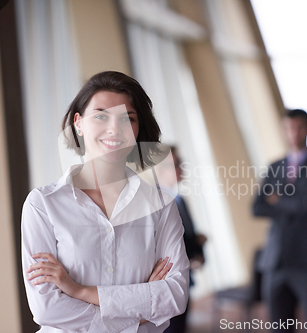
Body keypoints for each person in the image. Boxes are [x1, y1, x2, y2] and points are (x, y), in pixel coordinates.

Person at [21, 71, 190, 333]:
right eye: (101, 115)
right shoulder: (43, 204)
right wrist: (140, 311)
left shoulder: (161, 206)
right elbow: (48, 309)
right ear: (78, 123)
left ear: (136, 129)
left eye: (127, 118)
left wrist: (80, 291)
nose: (114, 128)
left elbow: (175, 297)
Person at [252, 109, 307, 332]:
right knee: (279, 326)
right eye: (288, 128)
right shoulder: (275, 166)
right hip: (276, 259)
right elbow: (257, 207)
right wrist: (293, 201)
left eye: (298, 127)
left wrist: (277, 200)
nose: (293, 133)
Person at [157, 146, 206, 333]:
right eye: (175, 165)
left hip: (185, 280)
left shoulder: (179, 199)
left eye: (181, 163)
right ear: (161, 169)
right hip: (167, 284)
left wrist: (197, 248)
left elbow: (186, 237)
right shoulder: (152, 203)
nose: (181, 168)